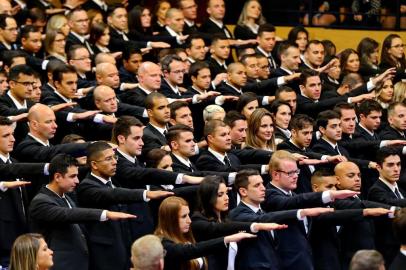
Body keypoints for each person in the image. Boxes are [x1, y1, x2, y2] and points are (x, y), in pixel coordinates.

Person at [29, 154, 135, 270]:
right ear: (58, 177)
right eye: (72, 176)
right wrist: (105, 214)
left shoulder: (67, 197)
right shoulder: (40, 202)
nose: (77, 181)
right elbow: (69, 215)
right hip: (60, 265)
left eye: (77, 176)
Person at [154, 196, 256, 270]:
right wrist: (227, 239)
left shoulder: (186, 235)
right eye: (184, 216)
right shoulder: (162, 243)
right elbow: (189, 251)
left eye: (188, 215)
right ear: (171, 219)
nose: (189, 220)